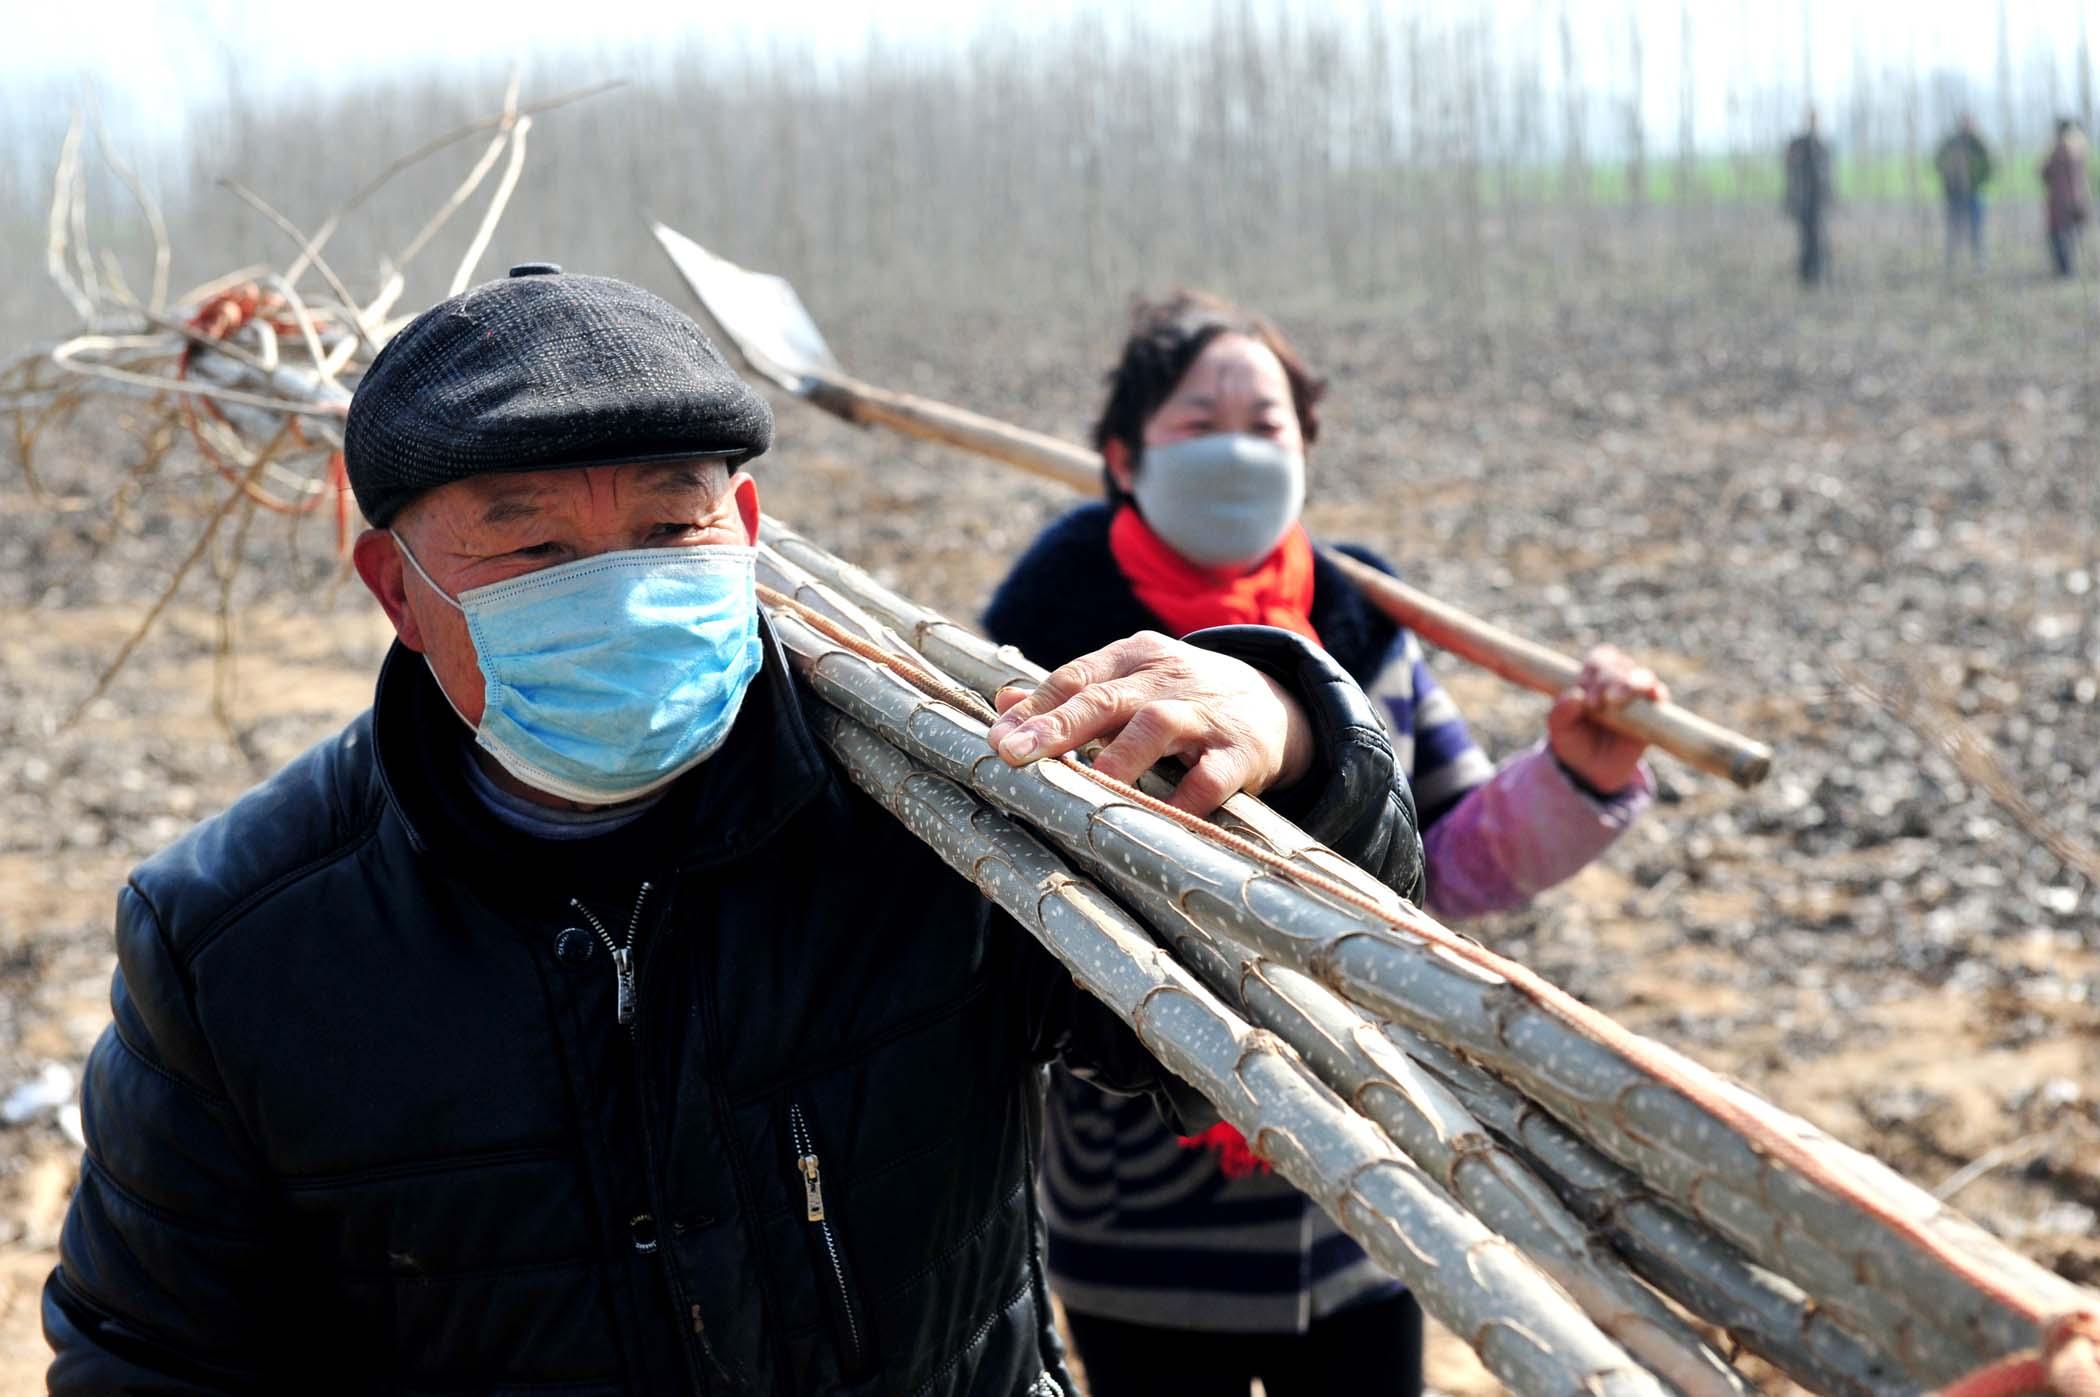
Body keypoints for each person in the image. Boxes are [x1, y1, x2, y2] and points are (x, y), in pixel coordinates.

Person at [40, 266, 1425, 1395]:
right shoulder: (237, 943)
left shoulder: (937, 813)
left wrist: (1297, 733)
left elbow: (1281, 1016)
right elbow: (149, 1353)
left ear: (748, 525)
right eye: (533, 552)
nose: (624, 593)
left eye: (670, 525)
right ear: (393, 590)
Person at [981, 292, 1663, 1397]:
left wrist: (1577, 772)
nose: (1240, 449)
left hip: (1363, 1188)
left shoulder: (1360, 634)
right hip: (1144, 1214)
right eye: (1201, 423)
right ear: (1122, 456)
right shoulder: (1049, 648)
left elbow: (1454, 857)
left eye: (1269, 423)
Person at [1935, 115, 1994, 269]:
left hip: (1974, 194)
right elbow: (1939, 162)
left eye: (1969, 124)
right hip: (1954, 195)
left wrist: (1976, 180)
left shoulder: (1978, 144)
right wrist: (1949, 178)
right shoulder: (1951, 143)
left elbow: (1989, 166)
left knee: (1976, 230)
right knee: (1954, 229)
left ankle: (1979, 260)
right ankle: (1951, 261)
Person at [1785, 109, 1834, 286]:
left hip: (1818, 202)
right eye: (1811, 119)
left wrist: (1830, 197)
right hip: (1803, 202)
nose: (1813, 123)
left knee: (1818, 239)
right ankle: (1805, 275)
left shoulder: (1821, 144)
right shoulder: (1799, 143)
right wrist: (1791, 200)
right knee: (1805, 238)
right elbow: (1790, 172)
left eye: (1815, 119)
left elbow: (1828, 174)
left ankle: (1817, 274)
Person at [2042, 117, 2091, 277]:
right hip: (2074, 199)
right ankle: (2067, 268)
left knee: (2060, 235)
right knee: (2067, 235)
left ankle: (2065, 269)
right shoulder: (2079, 148)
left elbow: (2046, 173)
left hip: (2061, 201)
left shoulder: (2060, 150)